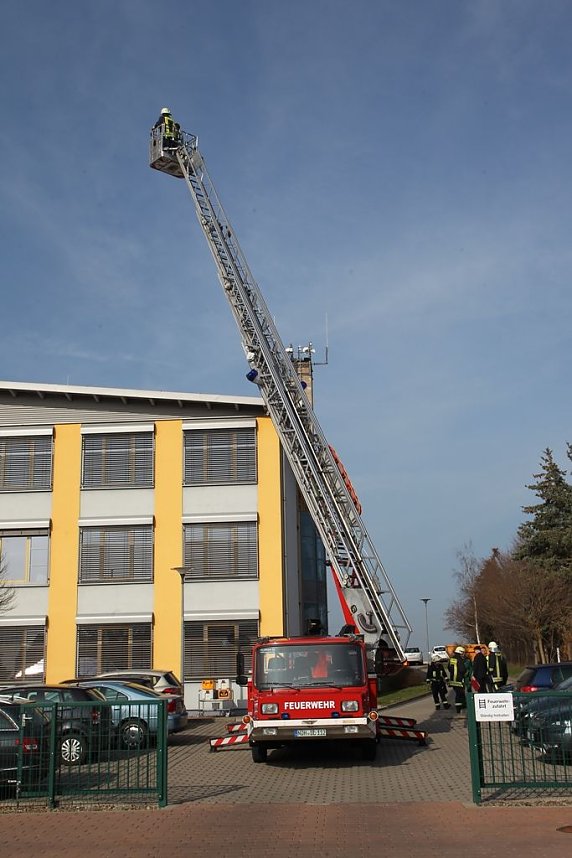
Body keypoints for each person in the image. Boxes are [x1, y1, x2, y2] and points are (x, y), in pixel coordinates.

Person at [448, 646, 467, 714]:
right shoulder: (460, 660)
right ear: (460, 652)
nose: (463, 654)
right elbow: (462, 669)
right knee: (460, 694)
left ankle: (460, 706)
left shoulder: (451, 659)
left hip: (453, 680)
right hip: (459, 680)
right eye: (463, 653)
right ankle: (459, 708)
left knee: (458, 694)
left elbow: (449, 668)